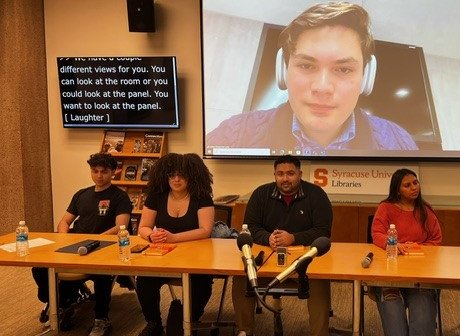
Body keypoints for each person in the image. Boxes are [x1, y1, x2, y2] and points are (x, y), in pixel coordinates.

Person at [206, 2, 418, 152]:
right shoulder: (232, 136)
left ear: (367, 77)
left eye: (343, 69)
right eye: (306, 65)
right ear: (283, 70)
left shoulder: (399, 142)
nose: (322, 87)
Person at [32, 152, 132, 336]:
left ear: (113, 173)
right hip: (75, 245)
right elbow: (64, 222)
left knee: (102, 273)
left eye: (104, 171)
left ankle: (101, 319)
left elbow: (121, 227)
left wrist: (95, 240)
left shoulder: (120, 197)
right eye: (95, 171)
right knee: (39, 266)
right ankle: (60, 302)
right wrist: (64, 238)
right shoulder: (81, 194)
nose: (99, 175)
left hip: (103, 247)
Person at [231, 155, 333, 336]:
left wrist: (293, 238)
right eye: (280, 174)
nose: (285, 178)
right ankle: (244, 331)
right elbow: (250, 227)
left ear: (300, 174)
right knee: (242, 275)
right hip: (267, 260)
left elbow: (322, 231)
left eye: (290, 173)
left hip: (305, 263)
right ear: (275, 175)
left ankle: (320, 333)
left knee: (319, 280)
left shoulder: (316, 195)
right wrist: (268, 237)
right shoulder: (261, 194)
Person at [135, 153, 215, 336]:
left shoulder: (201, 196)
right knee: (145, 280)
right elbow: (144, 227)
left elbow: (205, 230)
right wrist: (152, 236)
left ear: (192, 176)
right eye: (172, 175)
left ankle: (191, 320)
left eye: (182, 175)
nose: (176, 179)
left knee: (201, 282)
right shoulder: (157, 195)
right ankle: (153, 323)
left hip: (197, 256)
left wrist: (173, 238)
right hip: (164, 255)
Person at [370, 168, 442, 336]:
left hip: (420, 274)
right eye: (407, 185)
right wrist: (395, 245)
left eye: (415, 183)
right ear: (397, 190)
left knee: (422, 314)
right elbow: (377, 234)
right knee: (394, 316)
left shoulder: (426, 210)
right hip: (390, 274)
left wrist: (416, 248)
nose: (414, 187)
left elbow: (436, 241)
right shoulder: (385, 208)